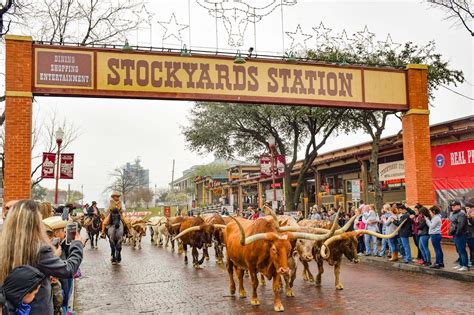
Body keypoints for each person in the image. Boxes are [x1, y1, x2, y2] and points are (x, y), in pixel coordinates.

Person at [0, 200, 83, 314]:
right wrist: (77, 245)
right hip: (38, 308)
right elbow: (68, 270)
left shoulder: (4, 245)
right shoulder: (38, 249)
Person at [449, 200, 469, 271]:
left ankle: (465, 265)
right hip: (455, 234)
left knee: (462, 250)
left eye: (454, 206)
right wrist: (451, 232)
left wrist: (457, 233)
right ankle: (461, 264)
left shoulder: (461, 214)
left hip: (460, 234)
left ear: (459, 206)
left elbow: (461, 225)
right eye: (452, 206)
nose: (453, 207)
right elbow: (452, 224)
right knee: (458, 250)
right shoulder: (453, 214)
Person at [466, 203, 474, 268]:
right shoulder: (468, 215)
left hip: (472, 235)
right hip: (468, 234)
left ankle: (473, 261)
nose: (466, 209)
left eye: (468, 208)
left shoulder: (472, 215)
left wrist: (470, 218)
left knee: (473, 249)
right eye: (466, 208)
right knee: (470, 249)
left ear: (472, 208)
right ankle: (471, 260)